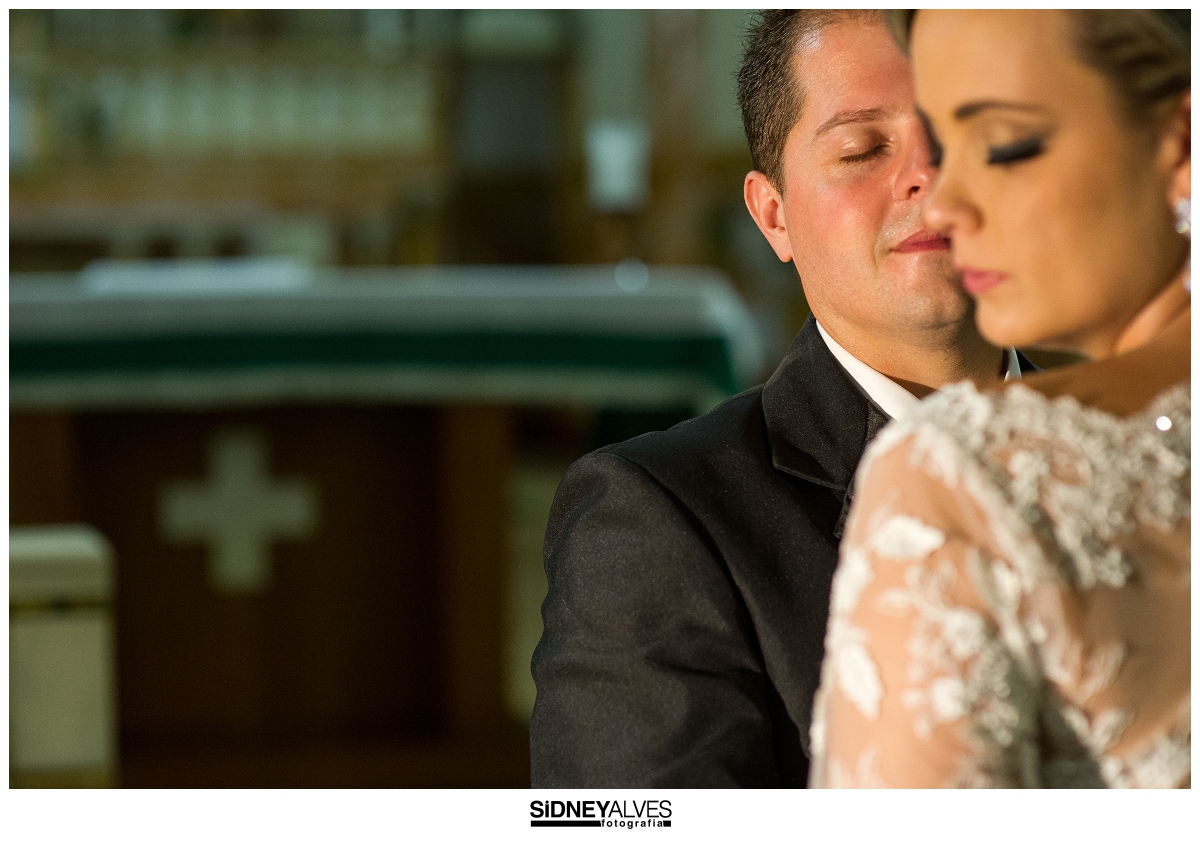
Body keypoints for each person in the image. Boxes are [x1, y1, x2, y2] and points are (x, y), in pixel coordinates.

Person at [530, 10, 1033, 787]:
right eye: (862, 149)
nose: (929, 176)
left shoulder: (1160, 447)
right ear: (774, 215)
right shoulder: (659, 521)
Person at [810, 9, 1189, 788]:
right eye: (949, 149)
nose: (943, 204)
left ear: (1180, 145)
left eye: (1004, 146)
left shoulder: (960, 477)